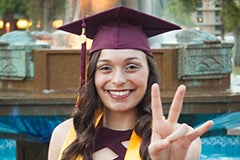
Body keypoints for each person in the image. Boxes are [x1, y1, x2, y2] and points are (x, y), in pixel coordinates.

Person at [48, 6, 213, 160]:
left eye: (132, 67)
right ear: (93, 76)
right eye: (105, 68)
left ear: (149, 73)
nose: (118, 80)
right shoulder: (64, 135)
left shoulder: (179, 139)